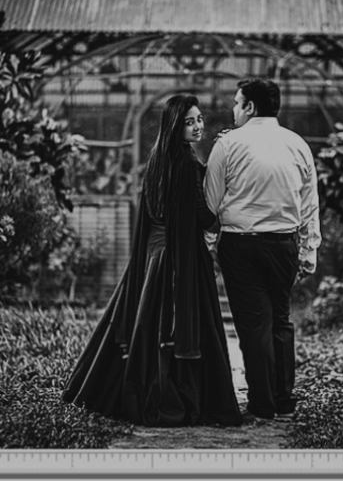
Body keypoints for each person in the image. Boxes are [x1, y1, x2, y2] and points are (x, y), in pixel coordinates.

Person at [61, 95, 242, 428]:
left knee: (150, 324)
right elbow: (201, 216)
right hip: (178, 257)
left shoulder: (157, 158)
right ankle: (174, 396)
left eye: (199, 119)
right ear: (175, 125)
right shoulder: (186, 162)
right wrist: (227, 212)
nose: (198, 126)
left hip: (153, 255)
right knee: (176, 326)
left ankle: (128, 387)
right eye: (189, 122)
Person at [204, 78, 321, 421]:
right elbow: (310, 203)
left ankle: (262, 403)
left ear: (250, 107)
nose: (234, 109)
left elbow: (211, 203)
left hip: (240, 246)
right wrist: (308, 251)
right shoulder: (297, 144)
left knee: (254, 324)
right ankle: (283, 399)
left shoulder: (228, 144)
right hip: (284, 244)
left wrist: (209, 246)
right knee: (280, 320)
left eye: (237, 103)